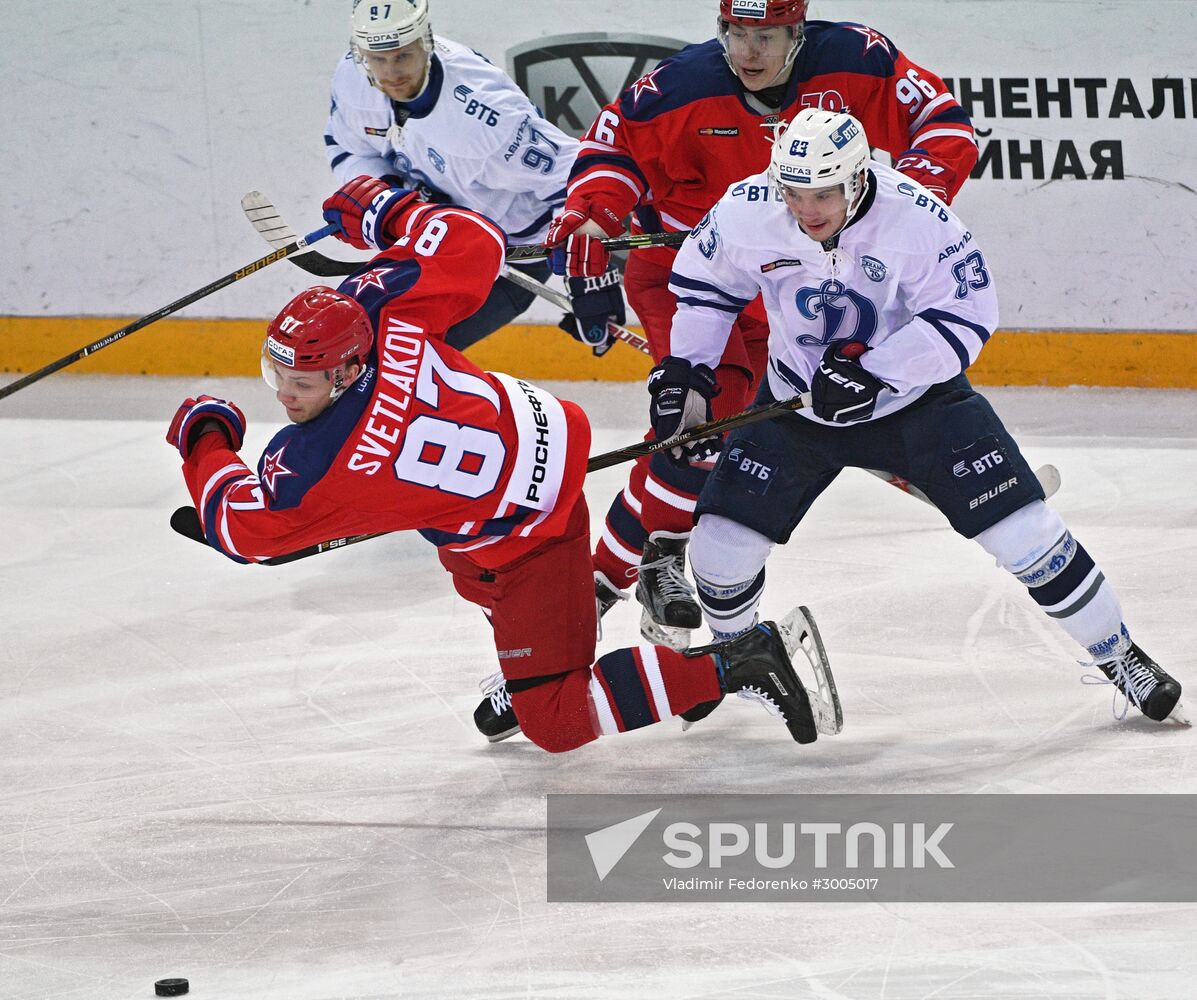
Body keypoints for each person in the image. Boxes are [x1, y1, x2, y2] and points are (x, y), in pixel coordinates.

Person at [164, 177, 841, 751]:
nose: (284, 396)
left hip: (523, 538)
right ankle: (583, 663)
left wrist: (205, 436)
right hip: (541, 445)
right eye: (276, 374)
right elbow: (475, 243)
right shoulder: (378, 311)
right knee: (472, 572)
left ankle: (736, 663)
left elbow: (242, 527)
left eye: (302, 384)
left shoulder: (321, 462)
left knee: (555, 718)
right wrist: (382, 209)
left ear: (344, 370)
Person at [648, 107, 1186, 726]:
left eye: (822, 193)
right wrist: (687, 373)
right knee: (718, 552)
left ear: (855, 179)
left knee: (1027, 535)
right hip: (795, 404)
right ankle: (738, 662)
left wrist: (879, 371)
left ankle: (1120, 655)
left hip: (916, 403)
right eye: (794, 193)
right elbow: (704, 291)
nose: (806, 209)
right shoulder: (751, 209)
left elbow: (967, 316)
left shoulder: (917, 219)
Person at [546, 0, 979, 649]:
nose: (747, 51)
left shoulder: (858, 60)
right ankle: (632, 572)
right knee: (699, 425)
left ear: (796, 33)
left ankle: (628, 568)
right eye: (734, 33)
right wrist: (594, 214)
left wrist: (905, 199)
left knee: (737, 431)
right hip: (687, 275)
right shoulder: (676, 88)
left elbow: (944, 125)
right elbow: (609, 150)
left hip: (788, 280)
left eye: (765, 36)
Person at [323, 0, 624, 353]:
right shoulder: (352, 80)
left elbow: (578, 176)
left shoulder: (489, 120)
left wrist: (591, 277)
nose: (390, 73)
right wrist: (381, 195)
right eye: (378, 59)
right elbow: (348, 148)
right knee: (362, 342)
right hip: (431, 239)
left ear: (426, 42)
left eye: (402, 56)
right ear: (361, 54)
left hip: (511, 257)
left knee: (408, 356)